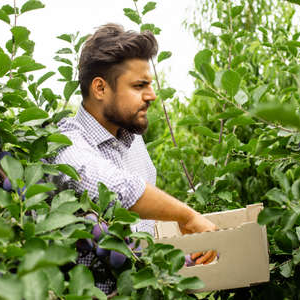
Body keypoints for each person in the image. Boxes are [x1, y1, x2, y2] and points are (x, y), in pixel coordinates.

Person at [51, 23, 218, 294]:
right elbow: (118, 189)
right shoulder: (64, 144)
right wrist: (187, 216)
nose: (152, 95)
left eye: (150, 84)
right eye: (140, 85)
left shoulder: (134, 143)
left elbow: (146, 224)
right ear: (100, 89)